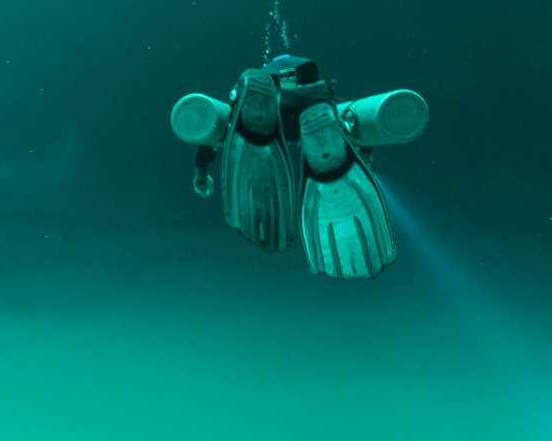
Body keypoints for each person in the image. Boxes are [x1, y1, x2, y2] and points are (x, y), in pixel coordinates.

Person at [170, 54, 428, 279]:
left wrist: (201, 173)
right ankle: (316, 103)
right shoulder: (306, 84)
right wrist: (363, 155)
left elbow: (212, 140)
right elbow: (359, 136)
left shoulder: (268, 79)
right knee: (342, 119)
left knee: (230, 126)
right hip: (311, 93)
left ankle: (252, 106)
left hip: (270, 96)